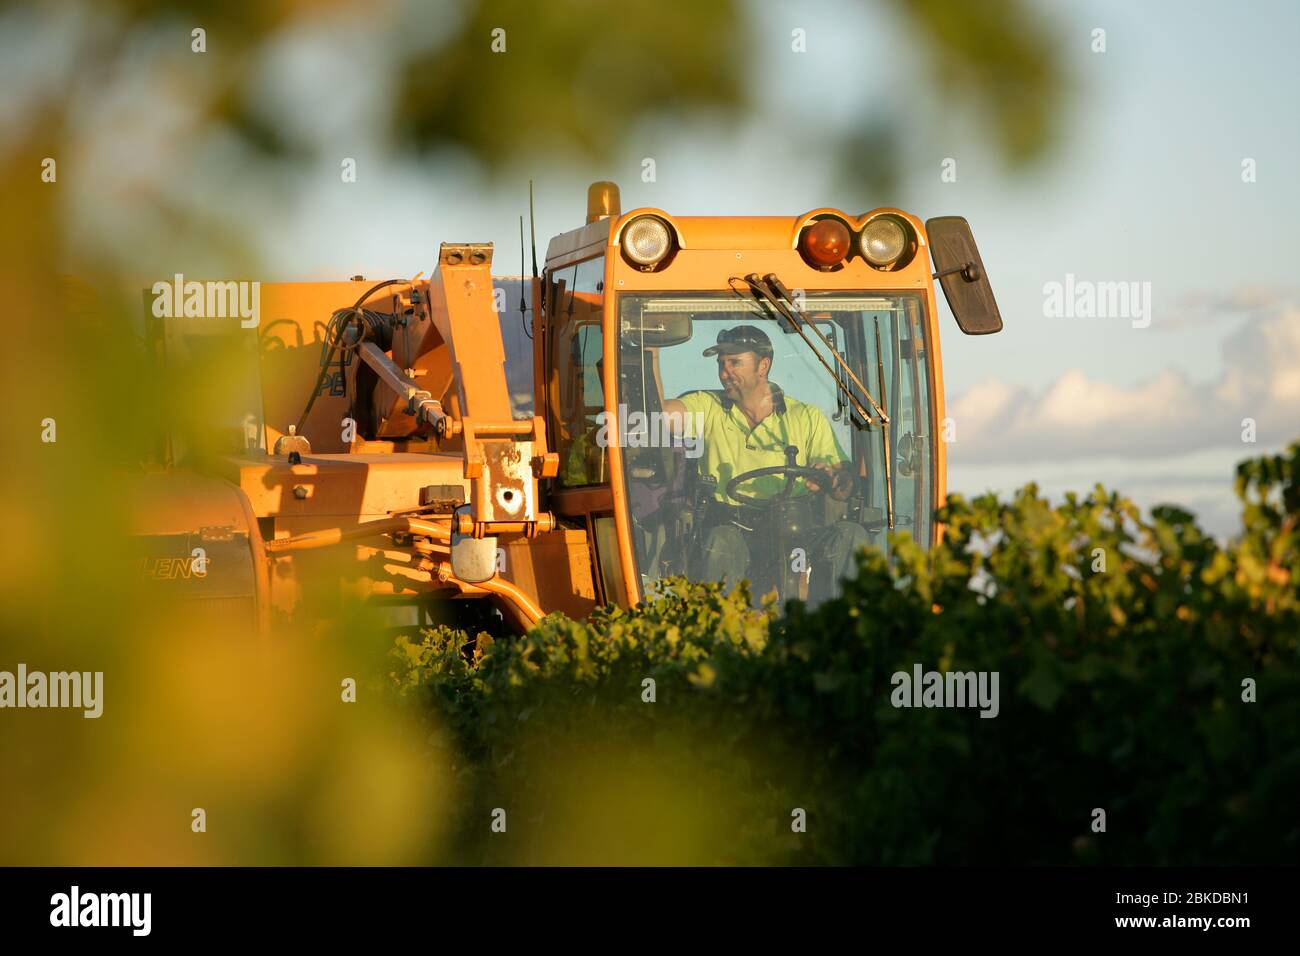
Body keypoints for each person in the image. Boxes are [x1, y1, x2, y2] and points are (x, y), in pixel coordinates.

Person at [653, 324, 870, 603]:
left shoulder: (805, 417)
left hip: (796, 531)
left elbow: (843, 488)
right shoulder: (707, 407)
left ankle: (838, 631)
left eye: (734, 362)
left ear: (763, 366)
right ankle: (722, 637)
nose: (723, 373)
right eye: (721, 364)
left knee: (850, 536)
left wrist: (831, 478)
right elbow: (659, 416)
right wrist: (652, 355)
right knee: (719, 543)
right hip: (734, 528)